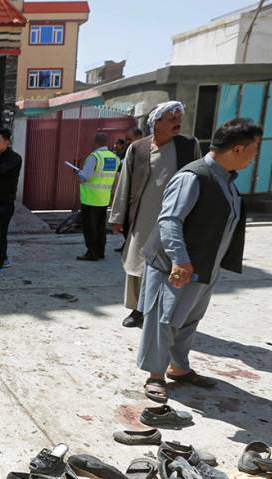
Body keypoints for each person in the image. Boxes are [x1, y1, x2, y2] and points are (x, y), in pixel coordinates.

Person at [136, 118, 261, 405]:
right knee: (164, 319)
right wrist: (180, 261)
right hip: (176, 266)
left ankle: (178, 367)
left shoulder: (225, 178)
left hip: (205, 265)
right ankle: (155, 375)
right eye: (253, 150)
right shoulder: (194, 176)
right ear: (238, 149)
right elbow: (169, 220)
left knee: (189, 319)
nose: (255, 157)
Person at [110, 101, 201, 329]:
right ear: (156, 122)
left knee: (171, 263)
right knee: (137, 262)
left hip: (177, 217)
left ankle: (163, 310)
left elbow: (200, 179)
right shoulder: (138, 148)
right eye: (171, 119)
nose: (177, 123)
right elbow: (125, 184)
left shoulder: (189, 146)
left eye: (179, 118)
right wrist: (117, 217)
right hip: (142, 216)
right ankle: (137, 310)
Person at [73, 132, 120, 261]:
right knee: (100, 227)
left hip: (91, 198)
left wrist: (78, 173)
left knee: (89, 227)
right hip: (104, 198)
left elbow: (86, 177)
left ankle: (91, 253)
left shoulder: (94, 157)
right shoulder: (113, 157)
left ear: (94, 143)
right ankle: (100, 251)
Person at [0, 128, 23, 279]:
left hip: (6, 201)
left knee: (2, 231)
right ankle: (4, 257)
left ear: (7, 142)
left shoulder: (14, 158)